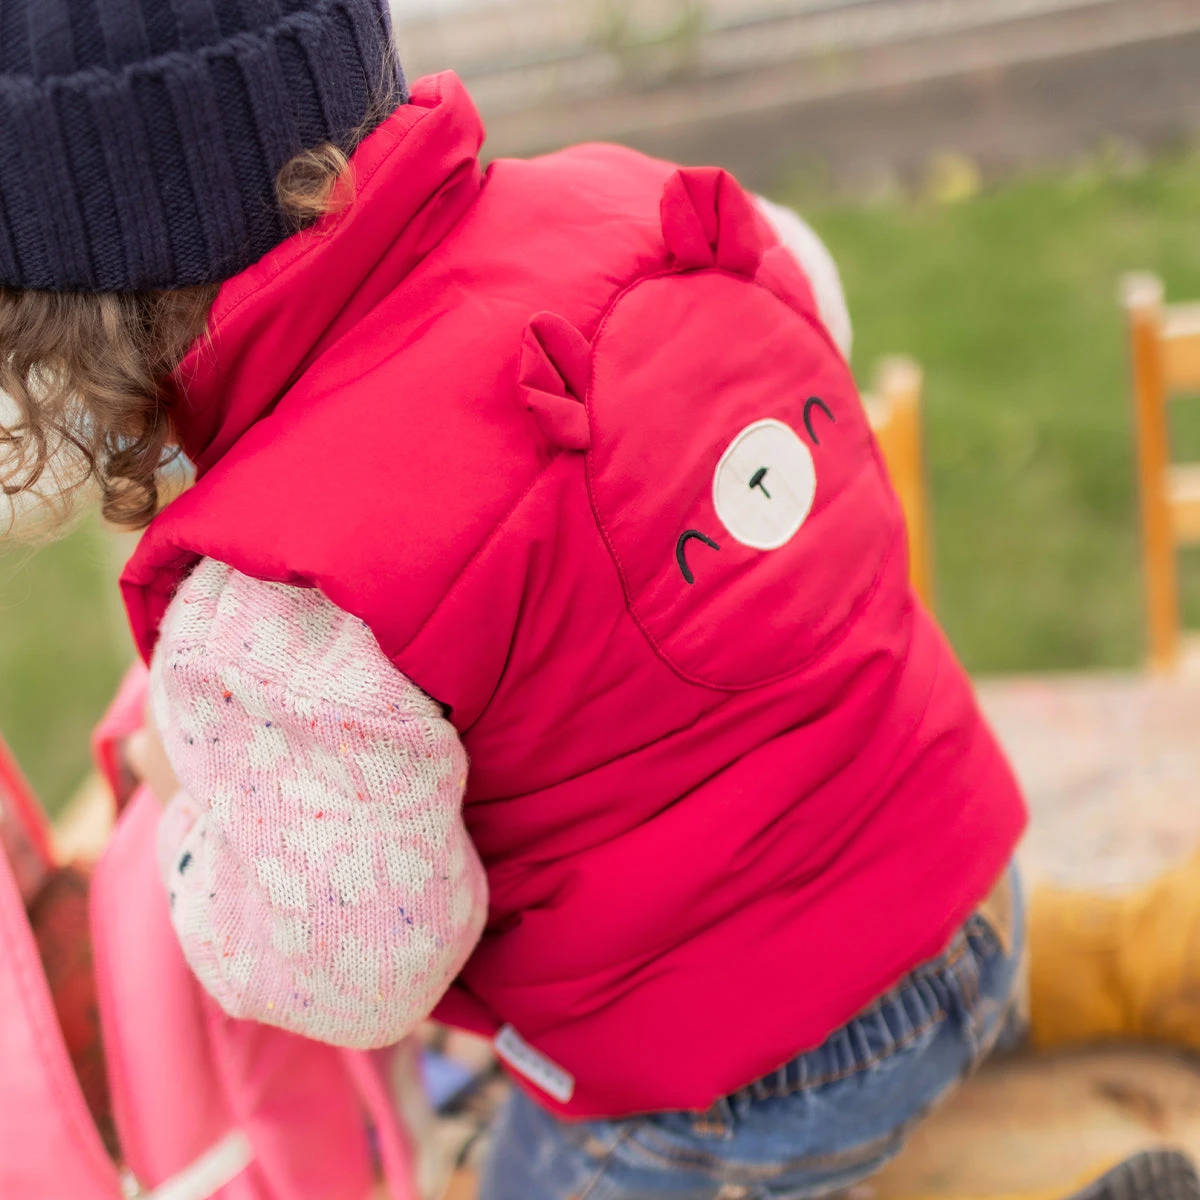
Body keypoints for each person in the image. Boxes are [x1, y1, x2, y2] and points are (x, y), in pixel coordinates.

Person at [0, 4, 1176, 1197]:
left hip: (739, 1087)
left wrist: (199, 805)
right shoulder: (653, 207)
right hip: (967, 886)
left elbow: (360, 969)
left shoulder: (274, 610)